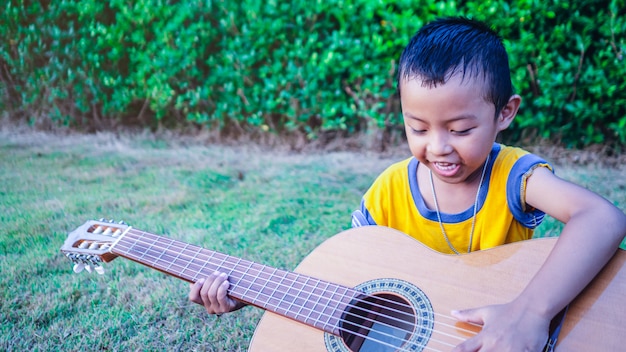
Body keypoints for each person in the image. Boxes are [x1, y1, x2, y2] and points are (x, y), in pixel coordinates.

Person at [189, 17, 626, 351]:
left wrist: (530, 313)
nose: (439, 147)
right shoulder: (387, 192)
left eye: (459, 129)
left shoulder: (513, 175)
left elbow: (602, 217)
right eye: (418, 127)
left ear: (505, 114)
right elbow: (349, 287)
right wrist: (249, 293)